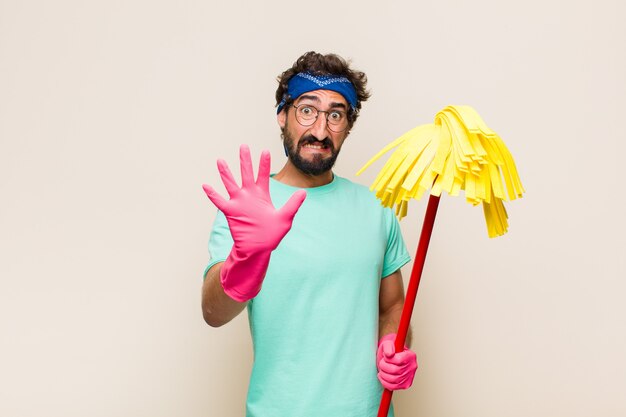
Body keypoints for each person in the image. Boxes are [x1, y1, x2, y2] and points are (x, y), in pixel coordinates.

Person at [201, 51, 418, 417]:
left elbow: (393, 306)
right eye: (307, 110)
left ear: (348, 126)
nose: (320, 130)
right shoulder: (247, 209)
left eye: (335, 115)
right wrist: (245, 261)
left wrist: (391, 343)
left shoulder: (377, 209)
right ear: (282, 115)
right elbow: (213, 312)